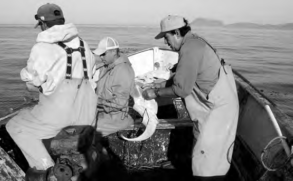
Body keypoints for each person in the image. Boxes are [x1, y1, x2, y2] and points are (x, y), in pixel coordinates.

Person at [5, 3, 98, 179]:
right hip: (87, 111)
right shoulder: (84, 45)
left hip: (61, 111)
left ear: (43, 24)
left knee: (15, 126)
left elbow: (32, 80)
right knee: (33, 116)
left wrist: (29, 78)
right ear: (62, 21)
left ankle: (48, 170)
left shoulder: (42, 47)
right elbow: (91, 76)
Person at [142, 15, 239, 181]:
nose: (166, 42)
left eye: (166, 37)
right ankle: (190, 166)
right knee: (198, 135)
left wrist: (154, 93)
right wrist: (160, 85)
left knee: (209, 155)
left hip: (219, 109)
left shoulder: (190, 49)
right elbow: (183, 76)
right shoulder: (193, 43)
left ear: (177, 33)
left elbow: (181, 89)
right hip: (209, 104)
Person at [93, 37, 135, 136]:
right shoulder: (106, 67)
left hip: (117, 118)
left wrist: (97, 101)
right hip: (104, 113)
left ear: (114, 52)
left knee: (87, 130)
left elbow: (120, 103)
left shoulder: (123, 70)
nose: (101, 57)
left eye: (104, 54)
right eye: (100, 55)